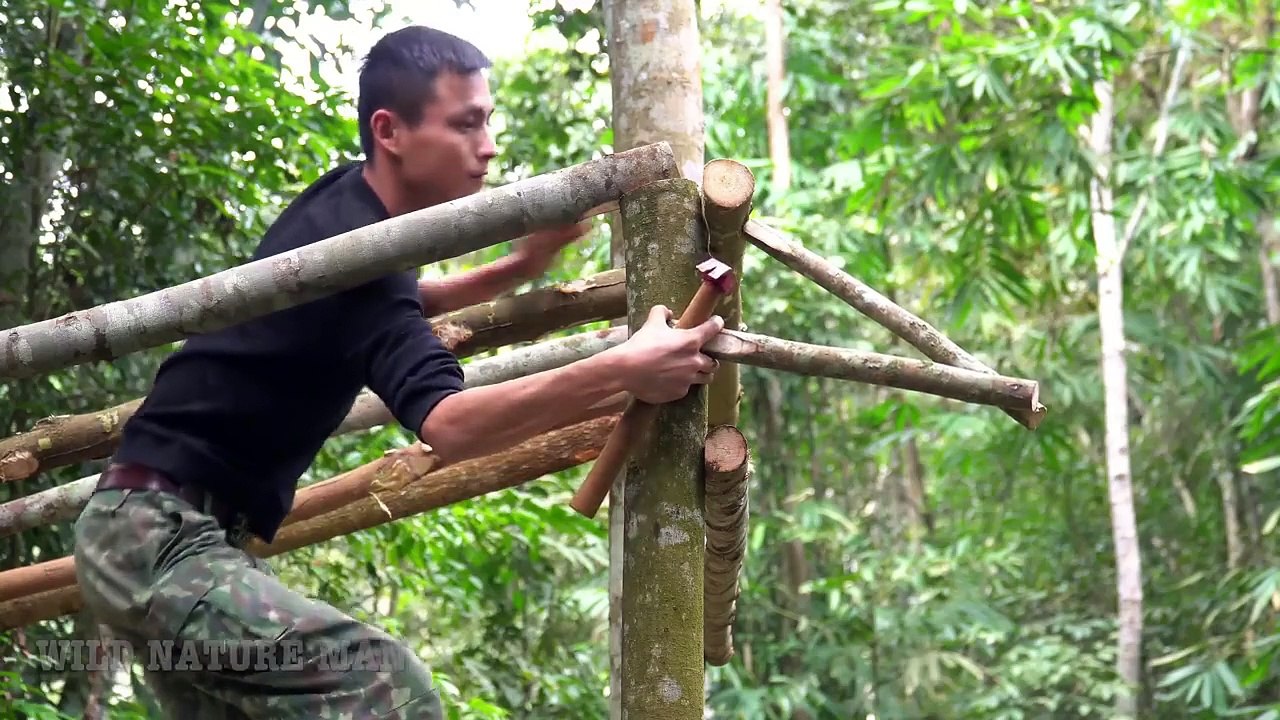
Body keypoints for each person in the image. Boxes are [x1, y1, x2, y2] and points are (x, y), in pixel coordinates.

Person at [71, 25, 722, 719]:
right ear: (391, 130)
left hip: (148, 533)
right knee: (386, 684)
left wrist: (520, 267)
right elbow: (451, 426)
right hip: (158, 540)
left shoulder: (346, 214)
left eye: (488, 121)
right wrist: (627, 369)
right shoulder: (360, 256)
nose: (490, 145)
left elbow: (398, 303)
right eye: (466, 123)